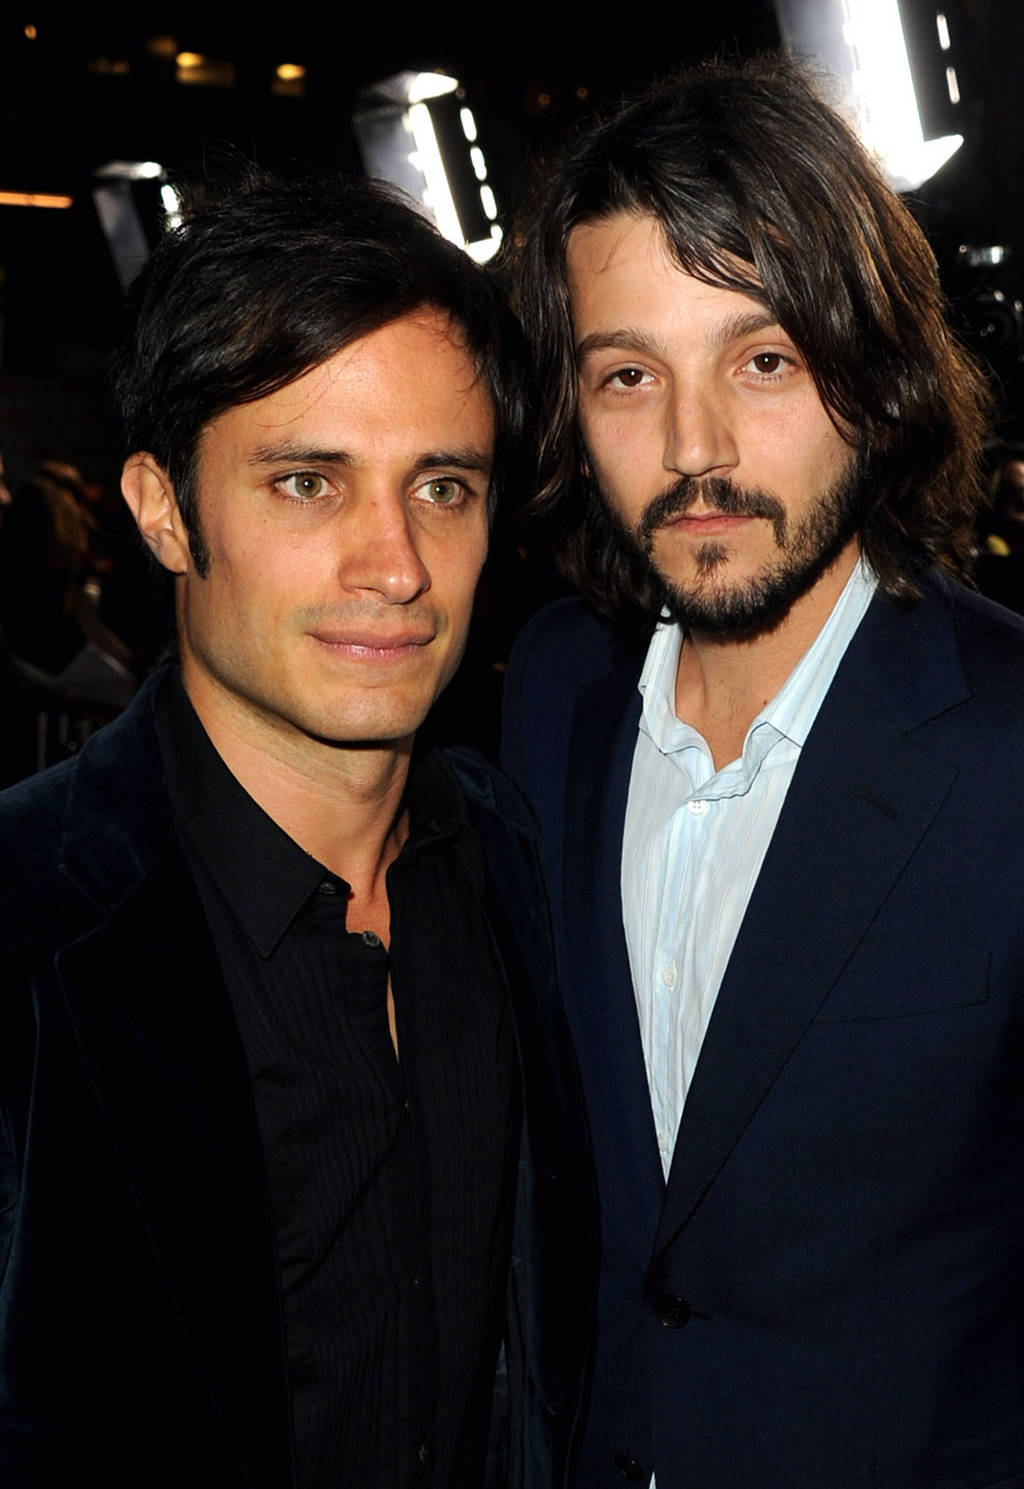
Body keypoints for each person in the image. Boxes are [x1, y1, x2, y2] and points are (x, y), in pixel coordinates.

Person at [0, 172, 595, 1488]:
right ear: (164, 509)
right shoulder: (31, 921)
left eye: (442, 487)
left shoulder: (521, 864)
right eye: (309, 482)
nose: (395, 564)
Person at [503, 53, 1024, 1489]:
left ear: (876, 375)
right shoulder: (554, 693)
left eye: (764, 359)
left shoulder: (1005, 746)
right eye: (629, 375)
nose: (696, 448)